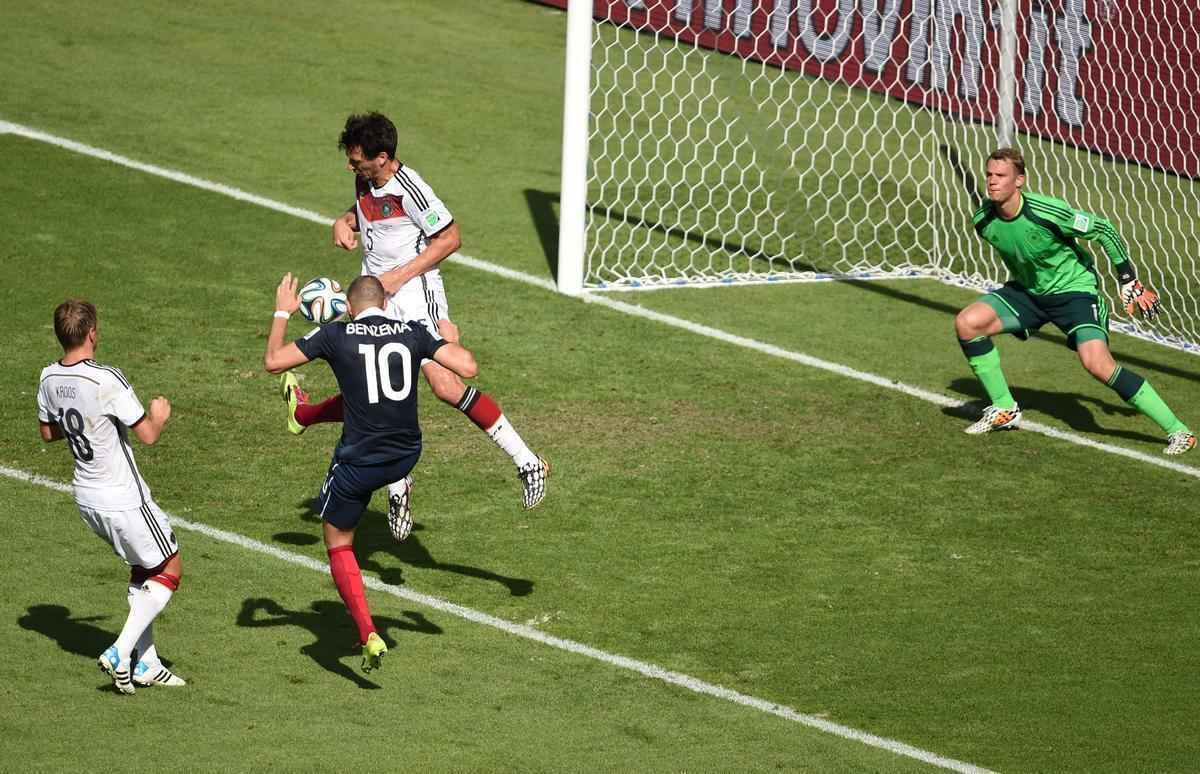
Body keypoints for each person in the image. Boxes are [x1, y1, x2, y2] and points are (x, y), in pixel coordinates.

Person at [280, 111, 549, 528]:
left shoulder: (413, 191)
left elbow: (451, 238)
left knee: (445, 385)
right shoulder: (366, 180)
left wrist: (396, 277)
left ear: (383, 157)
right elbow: (365, 210)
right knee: (374, 384)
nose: (350, 167)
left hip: (414, 293)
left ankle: (527, 461)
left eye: (357, 161)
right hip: (378, 296)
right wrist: (344, 221)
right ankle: (397, 484)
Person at [266, 273, 479, 672]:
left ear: (348, 307)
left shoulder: (335, 335)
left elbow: (273, 362)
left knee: (338, 540)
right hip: (406, 454)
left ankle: (367, 632)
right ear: (385, 303)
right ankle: (304, 415)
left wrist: (283, 311)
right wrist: (447, 338)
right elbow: (468, 366)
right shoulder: (413, 331)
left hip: (361, 460)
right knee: (361, 395)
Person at [956, 147, 1195, 455]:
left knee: (1097, 364)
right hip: (1030, 293)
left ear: (1020, 181)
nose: (992, 182)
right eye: (989, 174)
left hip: (1074, 293)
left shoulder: (1048, 212)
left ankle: (1179, 431)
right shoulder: (984, 221)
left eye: (1001, 176)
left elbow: (1104, 229)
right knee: (968, 323)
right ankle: (1004, 408)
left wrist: (1128, 279)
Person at [36, 299, 186, 694]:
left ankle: (147, 662)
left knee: (143, 570)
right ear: (92, 333)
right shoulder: (107, 379)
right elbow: (148, 435)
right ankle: (120, 650)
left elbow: (48, 433)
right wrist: (160, 414)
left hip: (87, 498)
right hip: (122, 496)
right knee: (170, 569)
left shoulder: (48, 376)